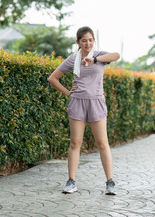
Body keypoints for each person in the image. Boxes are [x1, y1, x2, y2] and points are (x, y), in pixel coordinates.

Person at [48, 26, 120, 195]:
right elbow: (52, 78)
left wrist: (94, 60)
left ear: (93, 41)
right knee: (75, 143)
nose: (87, 43)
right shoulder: (73, 59)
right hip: (77, 102)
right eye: (83, 40)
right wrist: (68, 92)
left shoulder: (100, 56)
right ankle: (71, 181)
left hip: (96, 102)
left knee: (102, 143)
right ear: (78, 42)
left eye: (90, 40)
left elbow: (117, 56)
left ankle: (110, 182)